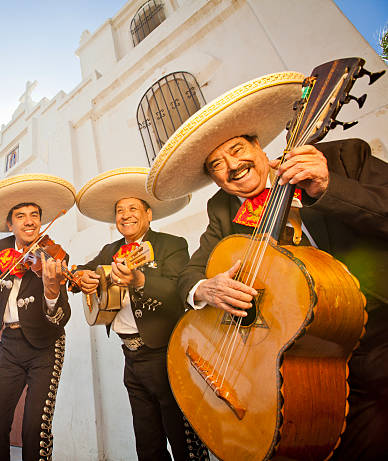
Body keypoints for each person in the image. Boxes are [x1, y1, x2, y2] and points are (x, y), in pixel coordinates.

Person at [147, 72, 388, 459]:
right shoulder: (223, 210)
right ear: (215, 180)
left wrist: (330, 188)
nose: (232, 165)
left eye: (238, 148)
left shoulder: (342, 158)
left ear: (259, 145)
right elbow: (189, 273)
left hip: (377, 332)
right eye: (216, 165)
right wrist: (204, 289)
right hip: (299, 362)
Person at [73, 167, 209, 461]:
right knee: (147, 442)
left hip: (166, 353)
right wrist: (79, 278)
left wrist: (139, 281)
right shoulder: (109, 250)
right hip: (130, 355)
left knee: (183, 438)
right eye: (119, 210)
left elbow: (178, 293)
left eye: (133, 208)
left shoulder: (171, 245)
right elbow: (81, 272)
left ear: (149, 215)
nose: (125, 215)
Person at [0, 173, 75, 461]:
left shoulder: (54, 254)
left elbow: (62, 313)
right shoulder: (0, 250)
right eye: (21, 216)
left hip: (45, 344)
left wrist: (51, 286)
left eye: (35, 215)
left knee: (36, 428)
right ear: (10, 224)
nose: (30, 221)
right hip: (9, 343)